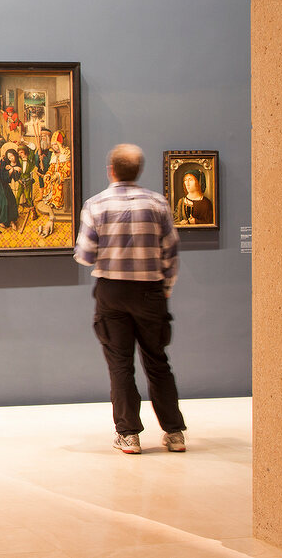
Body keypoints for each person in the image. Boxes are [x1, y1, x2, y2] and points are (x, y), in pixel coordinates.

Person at [74, 144, 187, 454]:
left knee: (120, 365)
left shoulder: (96, 205)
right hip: (151, 292)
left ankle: (129, 435)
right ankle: (174, 433)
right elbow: (171, 253)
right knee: (157, 362)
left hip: (112, 293)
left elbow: (84, 256)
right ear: (138, 171)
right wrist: (165, 289)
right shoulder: (157, 203)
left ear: (111, 170)